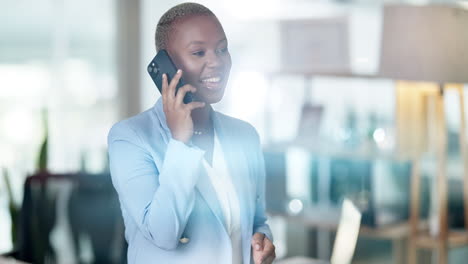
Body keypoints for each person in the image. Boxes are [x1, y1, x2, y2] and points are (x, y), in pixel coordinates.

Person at [108, 2, 275, 263]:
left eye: (222, 49)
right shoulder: (130, 138)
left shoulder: (245, 135)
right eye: (199, 52)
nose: (217, 61)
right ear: (166, 64)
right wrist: (179, 142)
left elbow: (258, 221)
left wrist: (262, 242)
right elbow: (163, 234)